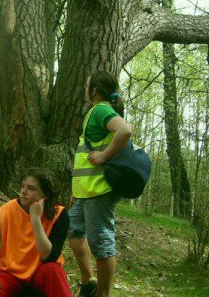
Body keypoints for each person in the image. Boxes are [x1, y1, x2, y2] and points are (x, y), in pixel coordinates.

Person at [68, 71, 132, 297]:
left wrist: (104, 155)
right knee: (74, 231)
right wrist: (76, 190)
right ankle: (89, 282)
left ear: (93, 90)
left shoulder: (101, 109)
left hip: (99, 190)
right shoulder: (97, 111)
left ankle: (102, 294)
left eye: (87, 86)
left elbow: (125, 130)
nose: (85, 89)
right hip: (85, 191)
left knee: (101, 244)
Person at [0, 168, 71, 297]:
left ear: (45, 196)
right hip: (10, 273)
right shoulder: (7, 210)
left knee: (53, 270)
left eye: (31, 188)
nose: (23, 191)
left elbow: (48, 256)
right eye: (23, 186)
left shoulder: (59, 215)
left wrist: (35, 219)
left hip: (40, 273)